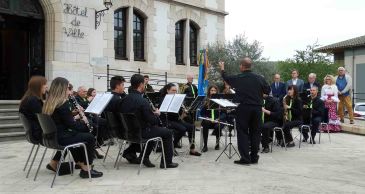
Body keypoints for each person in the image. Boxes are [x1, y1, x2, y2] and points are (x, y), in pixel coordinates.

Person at [43, 77, 103, 178]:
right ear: (61, 89)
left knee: (79, 136)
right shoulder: (63, 103)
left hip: (52, 137)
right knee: (89, 137)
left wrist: (75, 118)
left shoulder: (49, 102)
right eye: (67, 88)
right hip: (61, 137)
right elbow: (73, 126)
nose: (69, 91)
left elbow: (64, 121)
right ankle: (86, 169)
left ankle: (81, 163)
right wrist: (86, 125)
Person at [119, 74, 178, 168]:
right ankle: (167, 162)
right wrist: (157, 114)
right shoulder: (143, 101)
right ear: (141, 85)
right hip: (141, 132)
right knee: (168, 132)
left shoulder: (123, 99)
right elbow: (152, 121)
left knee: (154, 130)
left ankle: (144, 157)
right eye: (144, 84)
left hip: (127, 133)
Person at [219, 58, 270, 165]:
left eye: (240, 65)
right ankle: (254, 157)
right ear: (250, 66)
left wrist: (222, 68)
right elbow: (267, 90)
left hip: (243, 108)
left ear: (242, 66)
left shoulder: (239, 78)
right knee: (255, 133)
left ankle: (245, 158)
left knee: (242, 132)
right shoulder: (259, 78)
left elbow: (226, 78)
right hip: (257, 109)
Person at [159, 83, 201, 156]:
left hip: (175, 120)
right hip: (166, 121)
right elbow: (165, 114)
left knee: (192, 127)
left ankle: (192, 149)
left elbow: (178, 117)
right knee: (182, 129)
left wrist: (183, 114)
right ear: (167, 90)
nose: (174, 92)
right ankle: (172, 147)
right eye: (173, 90)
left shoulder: (177, 99)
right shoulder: (163, 100)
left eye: (176, 91)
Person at [200, 85, 226, 152]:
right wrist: (207, 118)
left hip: (218, 120)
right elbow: (202, 113)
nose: (213, 92)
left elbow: (224, 113)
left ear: (217, 91)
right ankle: (205, 145)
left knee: (218, 126)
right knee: (205, 123)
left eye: (215, 90)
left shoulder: (220, 100)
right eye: (212, 90)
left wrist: (219, 119)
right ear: (209, 91)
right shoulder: (205, 100)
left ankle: (217, 143)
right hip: (208, 120)